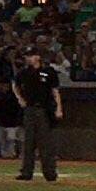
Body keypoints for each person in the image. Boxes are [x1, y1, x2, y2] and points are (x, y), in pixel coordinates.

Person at [13, 46, 62, 181]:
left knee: (45, 143)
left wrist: (59, 108)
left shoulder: (48, 71)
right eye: (27, 56)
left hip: (44, 109)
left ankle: (50, 172)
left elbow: (55, 91)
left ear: (37, 57)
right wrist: (20, 99)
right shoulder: (24, 73)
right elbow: (15, 85)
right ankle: (26, 172)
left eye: (31, 55)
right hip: (29, 109)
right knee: (28, 142)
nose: (28, 58)